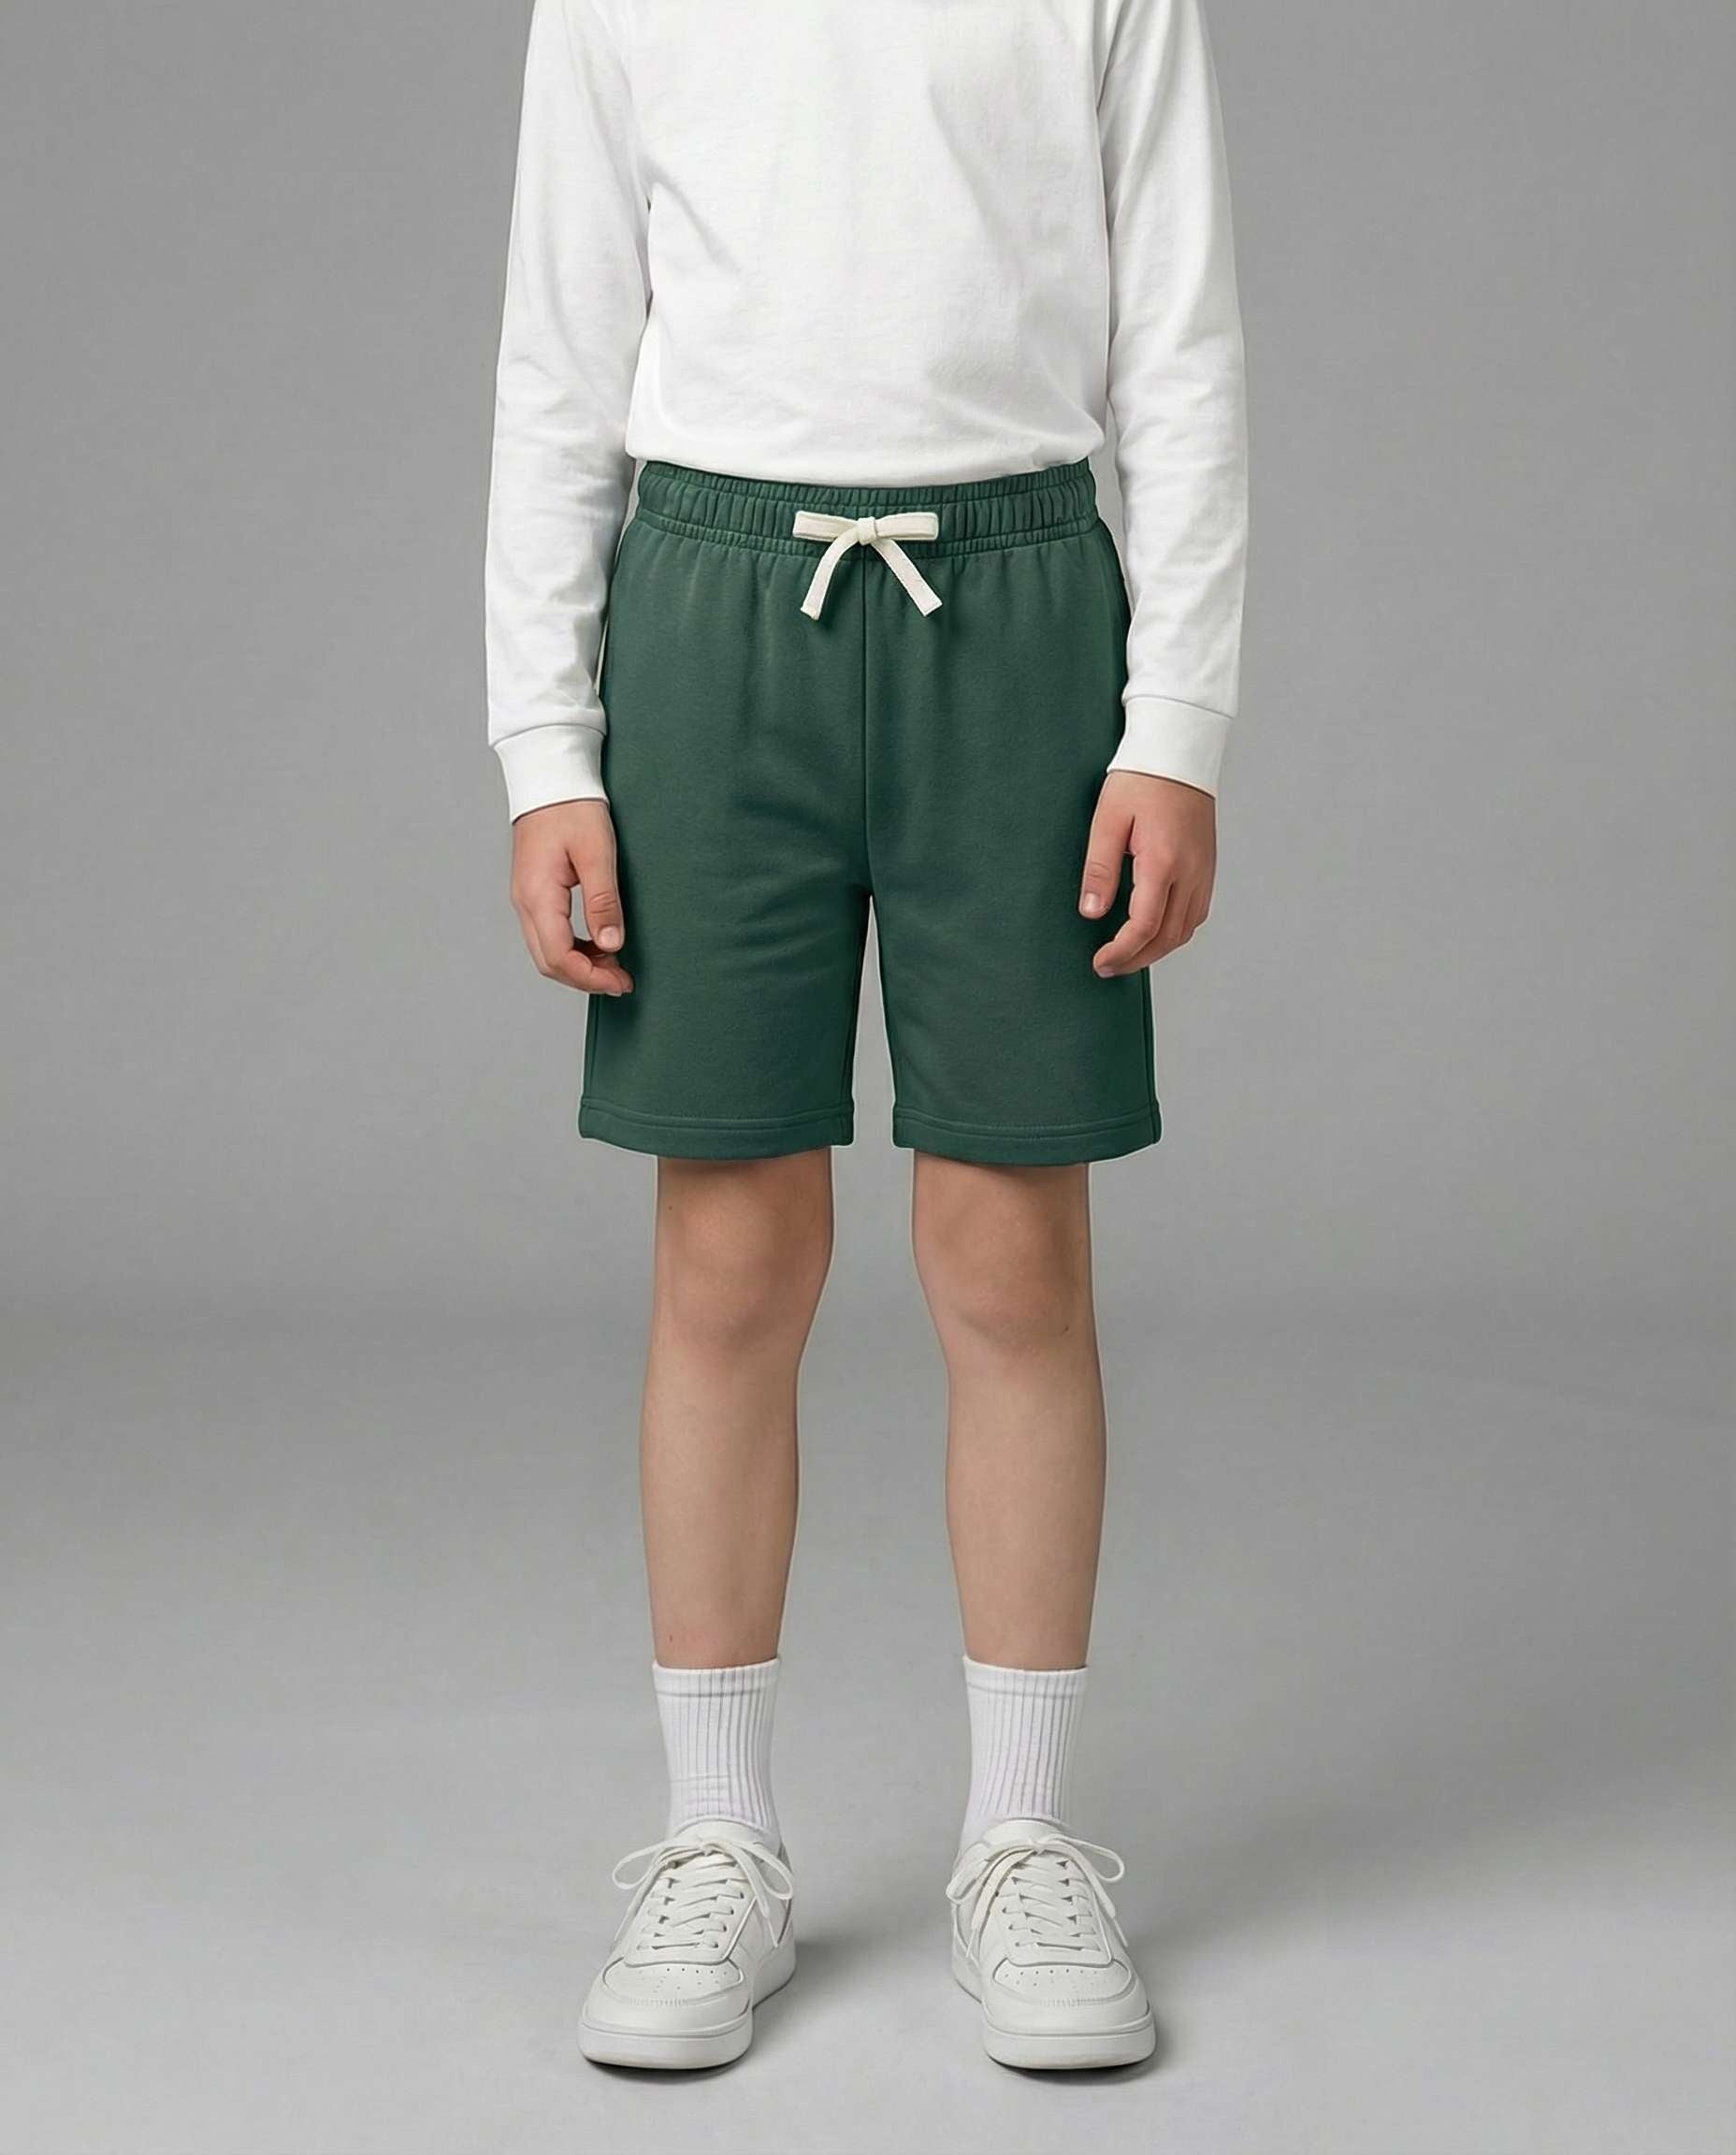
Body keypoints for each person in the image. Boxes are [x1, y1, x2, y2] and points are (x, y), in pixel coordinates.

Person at [485, 0, 1246, 2074]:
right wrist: (547, 748)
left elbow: (1178, 344)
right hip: (713, 615)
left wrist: (1175, 725)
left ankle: (1025, 1840)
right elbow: (560, 361)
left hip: (1020, 611)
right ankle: (717, 1841)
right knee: (730, 1259)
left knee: (1012, 1258)